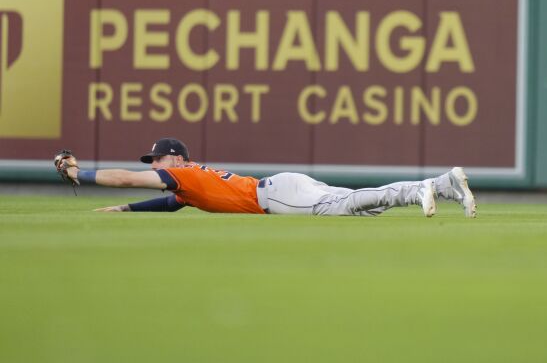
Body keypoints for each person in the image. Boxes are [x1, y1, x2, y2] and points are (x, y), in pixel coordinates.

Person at [61, 137, 476, 218]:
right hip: (280, 186)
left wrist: (81, 172)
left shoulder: (180, 174)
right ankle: (444, 183)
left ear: (176, 158)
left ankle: (419, 189)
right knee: (357, 205)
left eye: (157, 159)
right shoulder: (187, 186)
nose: (153, 166)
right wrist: (122, 209)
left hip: (275, 196)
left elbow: (129, 178)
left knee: (347, 205)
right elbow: (163, 203)